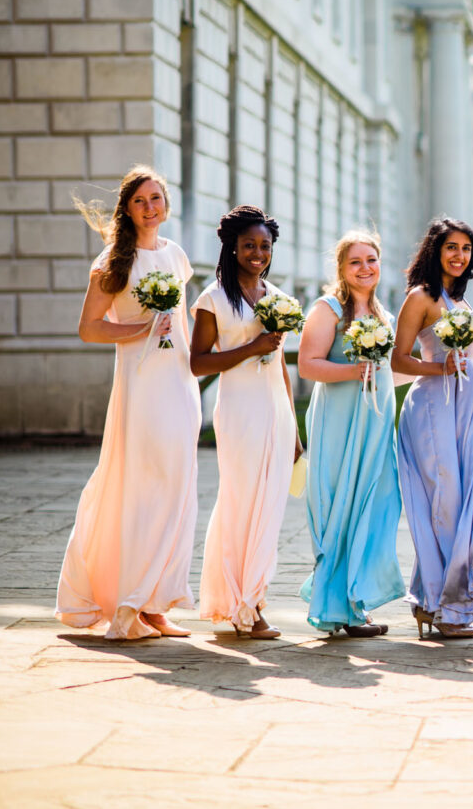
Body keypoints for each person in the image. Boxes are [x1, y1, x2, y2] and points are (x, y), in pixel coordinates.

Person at [56, 166, 201, 641]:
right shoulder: (112, 261)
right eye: (140, 200)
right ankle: (129, 601)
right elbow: (90, 327)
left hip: (178, 383)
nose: (150, 207)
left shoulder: (177, 257)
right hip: (140, 388)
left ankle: (157, 603)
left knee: (177, 486)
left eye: (156, 198)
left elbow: (182, 324)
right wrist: (139, 330)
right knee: (143, 485)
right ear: (127, 208)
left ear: (166, 203)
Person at [189, 205, 301, 639]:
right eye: (250, 245)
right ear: (233, 247)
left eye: (265, 246)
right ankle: (241, 605)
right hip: (238, 411)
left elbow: (280, 367)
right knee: (241, 502)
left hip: (275, 409)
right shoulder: (213, 299)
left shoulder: (276, 296)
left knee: (270, 509)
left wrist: (293, 425)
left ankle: (252, 599)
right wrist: (250, 347)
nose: (258, 253)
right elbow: (198, 363)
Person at [296, 230, 404, 637]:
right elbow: (308, 365)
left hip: (375, 425)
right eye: (355, 261)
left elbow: (392, 370)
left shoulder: (384, 315)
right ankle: (337, 608)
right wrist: (352, 371)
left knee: (373, 507)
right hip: (340, 421)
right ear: (341, 268)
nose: (365, 268)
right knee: (341, 507)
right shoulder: (327, 309)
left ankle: (355, 601)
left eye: (371, 260)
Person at [392, 218, 473, 640]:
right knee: (445, 499)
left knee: (461, 498)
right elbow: (398, 359)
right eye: (451, 247)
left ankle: (430, 598)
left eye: (466, 248)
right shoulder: (422, 297)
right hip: (432, 404)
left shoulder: (462, 303)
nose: (459, 255)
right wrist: (439, 366)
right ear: (436, 249)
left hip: (464, 405)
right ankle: (449, 606)